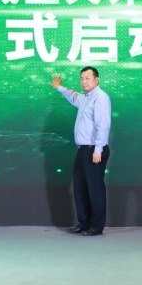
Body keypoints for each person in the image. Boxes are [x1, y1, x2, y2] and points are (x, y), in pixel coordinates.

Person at [51, 67, 111, 236]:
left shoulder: (101, 97)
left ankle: (96, 226)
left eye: (88, 78)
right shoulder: (85, 98)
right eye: (82, 78)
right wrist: (59, 87)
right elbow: (73, 96)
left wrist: (98, 149)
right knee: (80, 189)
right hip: (83, 150)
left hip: (94, 150)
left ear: (97, 79)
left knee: (95, 190)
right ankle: (84, 223)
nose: (84, 81)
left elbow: (103, 125)